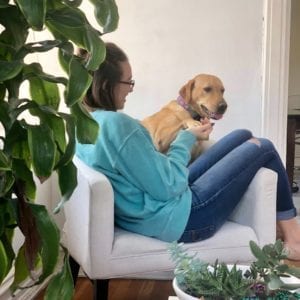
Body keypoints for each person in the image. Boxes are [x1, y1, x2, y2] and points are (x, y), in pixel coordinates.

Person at [76, 42, 300, 260]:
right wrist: (185, 138)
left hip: (157, 205)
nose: (131, 89)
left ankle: (282, 231)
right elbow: (169, 185)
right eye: (129, 82)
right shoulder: (117, 125)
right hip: (185, 217)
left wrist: (190, 137)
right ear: (108, 85)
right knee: (263, 147)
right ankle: (294, 240)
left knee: (243, 135)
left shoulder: (84, 123)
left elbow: (155, 175)